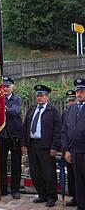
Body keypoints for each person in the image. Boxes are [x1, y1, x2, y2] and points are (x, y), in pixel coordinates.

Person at [21, 84, 61, 208]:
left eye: (42, 95)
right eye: (38, 95)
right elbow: (25, 127)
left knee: (48, 173)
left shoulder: (53, 111)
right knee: (35, 172)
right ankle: (42, 194)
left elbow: (57, 131)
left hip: (46, 146)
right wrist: (23, 144)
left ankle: (51, 197)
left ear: (47, 96)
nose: (39, 98)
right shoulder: (32, 109)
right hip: (32, 144)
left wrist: (54, 147)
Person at [0, 77, 22, 199]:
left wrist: (3, 108)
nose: (5, 88)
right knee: (1, 164)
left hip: (14, 135)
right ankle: (2, 188)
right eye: (4, 86)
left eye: (8, 86)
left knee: (16, 164)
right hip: (1, 135)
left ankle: (15, 189)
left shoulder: (17, 99)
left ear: (12, 87)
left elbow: (15, 112)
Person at [62, 79, 85, 210]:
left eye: (81, 91)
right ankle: (80, 205)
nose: (79, 94)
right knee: (78, 181)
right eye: (77, 91)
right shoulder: (71, 109)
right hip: (74, 151)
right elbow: (64, 131)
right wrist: (66, 150)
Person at [60, 89, 77, 207]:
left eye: (73, 100)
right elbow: (63, 132)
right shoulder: (65, 113)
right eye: (69, 101)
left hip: (81, 150)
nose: (71, 102)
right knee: (71, 176)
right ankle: (75, 197)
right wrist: (65, 149)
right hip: (69, 150)